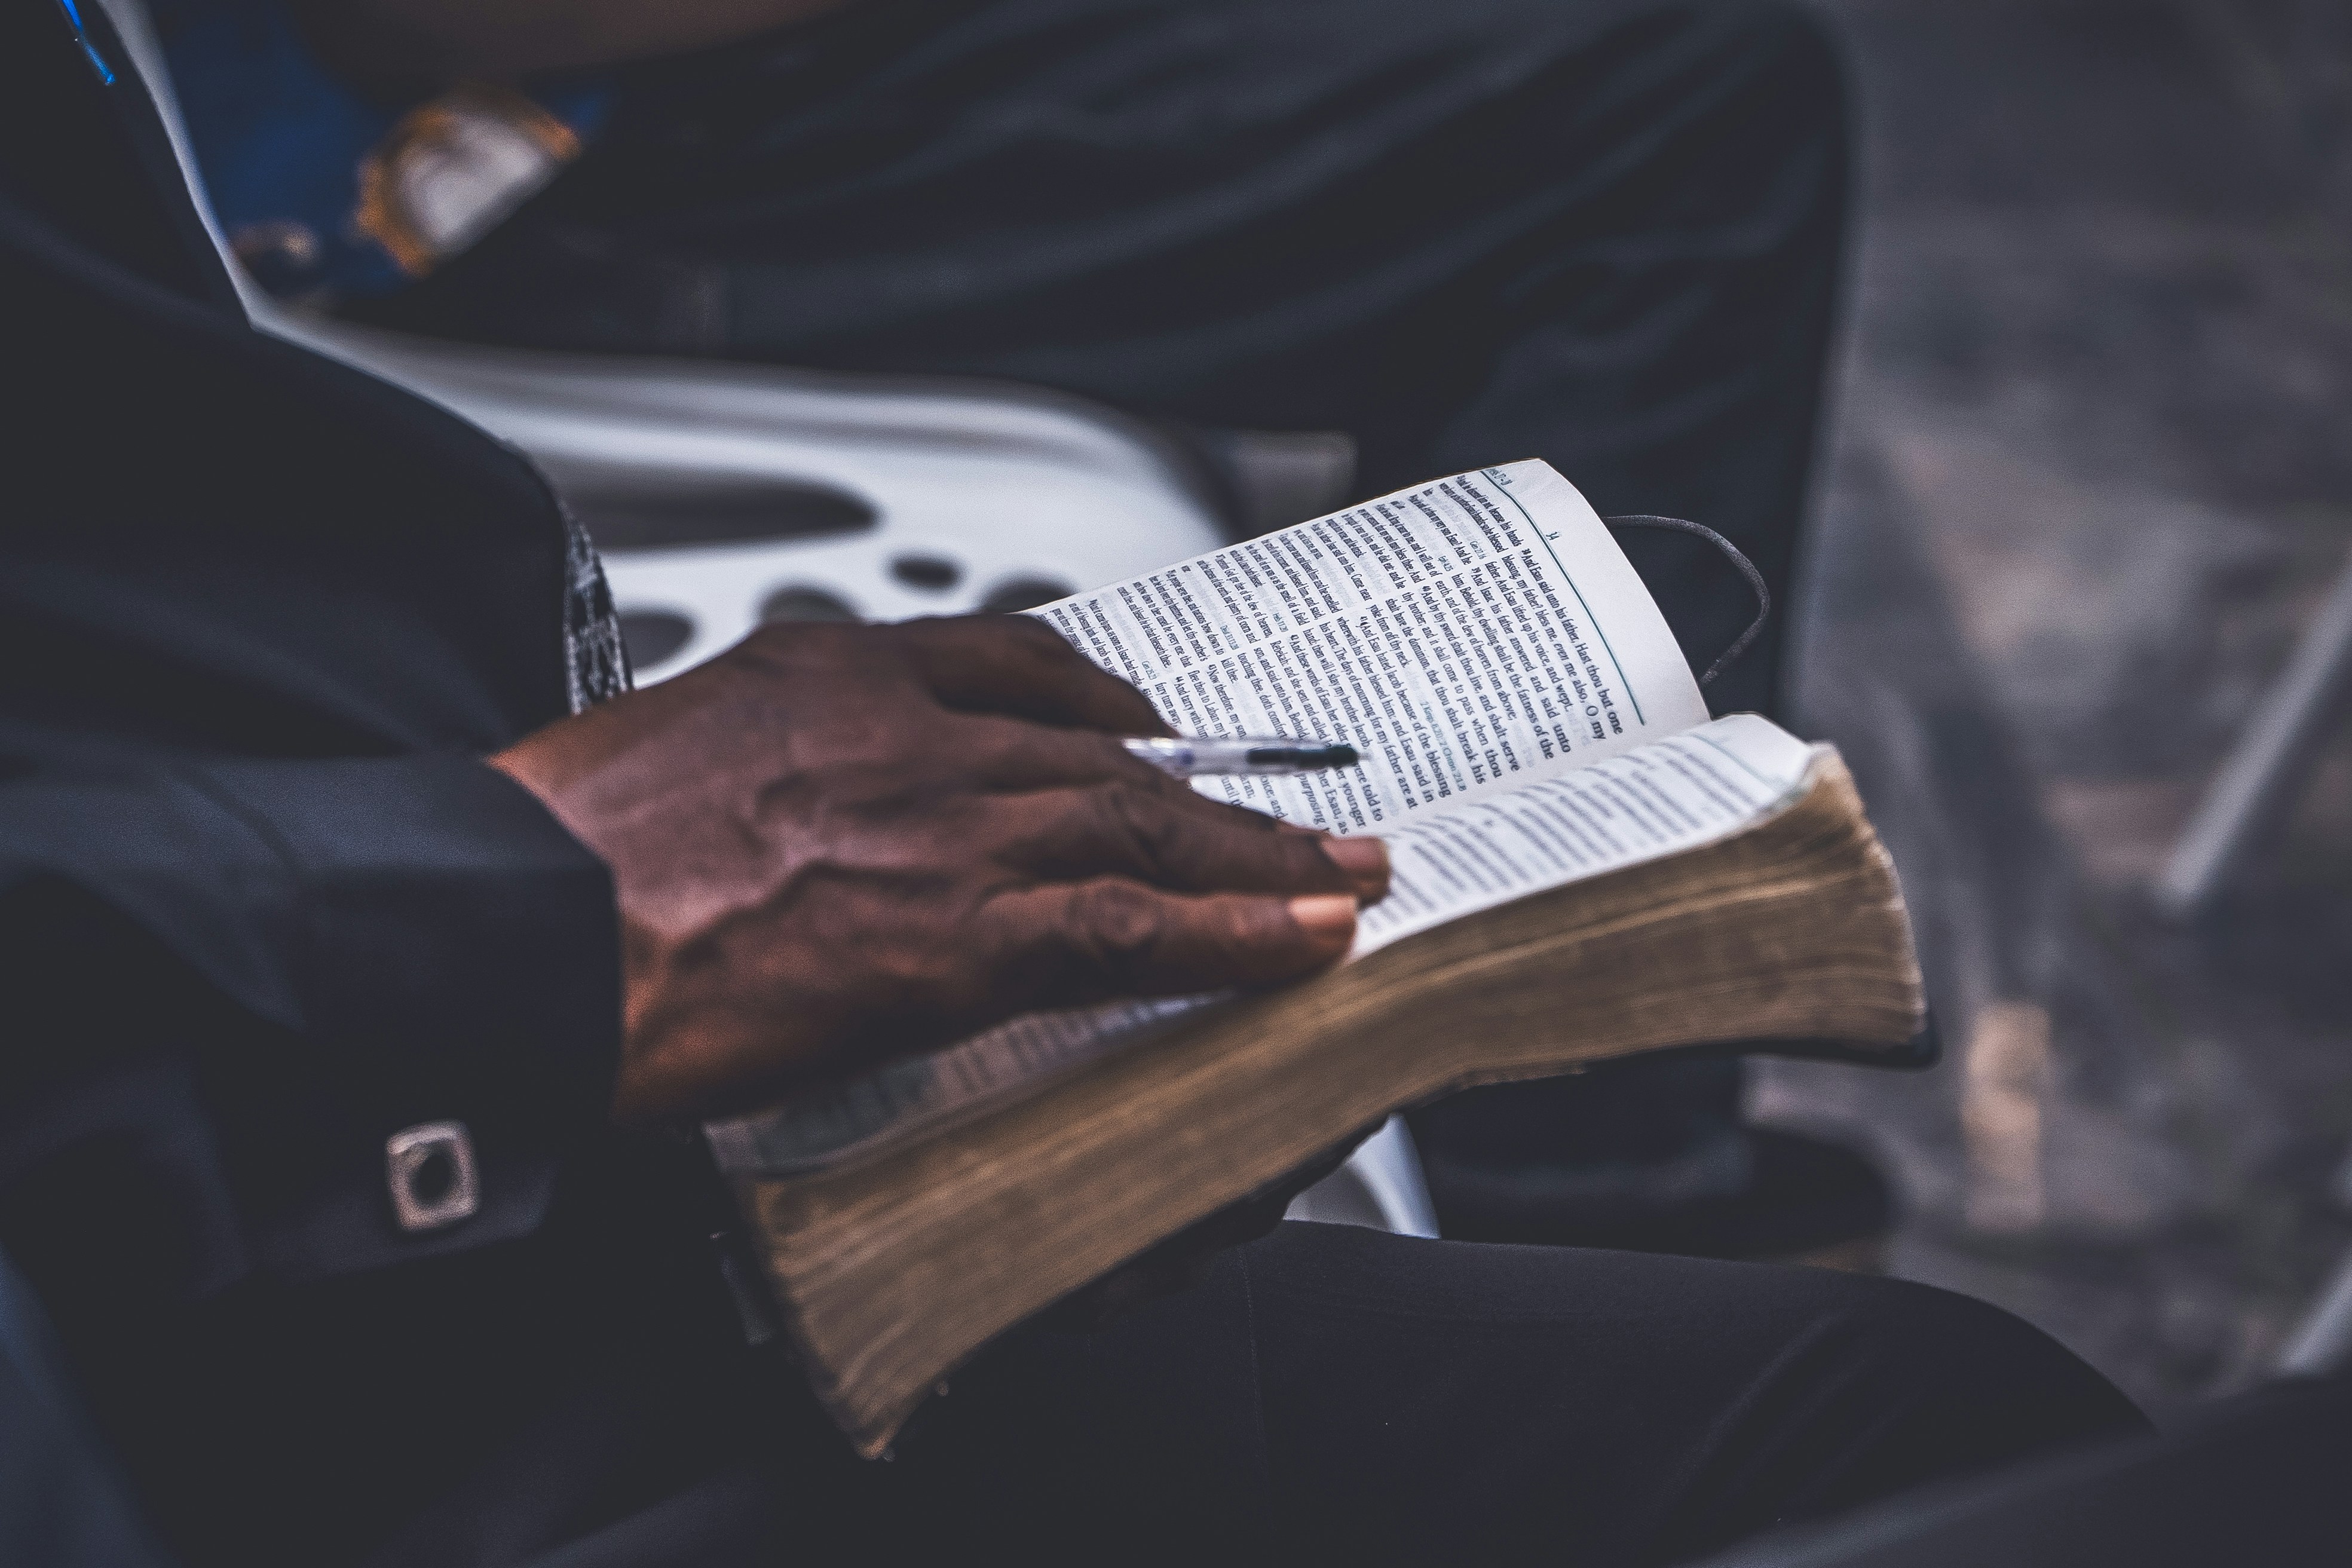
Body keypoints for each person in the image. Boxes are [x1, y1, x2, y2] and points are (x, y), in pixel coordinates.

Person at [1, 5, 2145, 1567]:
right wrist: (508, 907)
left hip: (389, 1016)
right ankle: (1584, 1192)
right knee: (1930, 1458)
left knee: (1940, 1423)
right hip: (287, 1322)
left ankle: (1561, 1157)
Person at [161, 0, 1882, 1257]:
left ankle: (1546, 1123)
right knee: (1677, 113)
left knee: (1679, 86)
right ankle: (1563, 1197)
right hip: (436, 146)